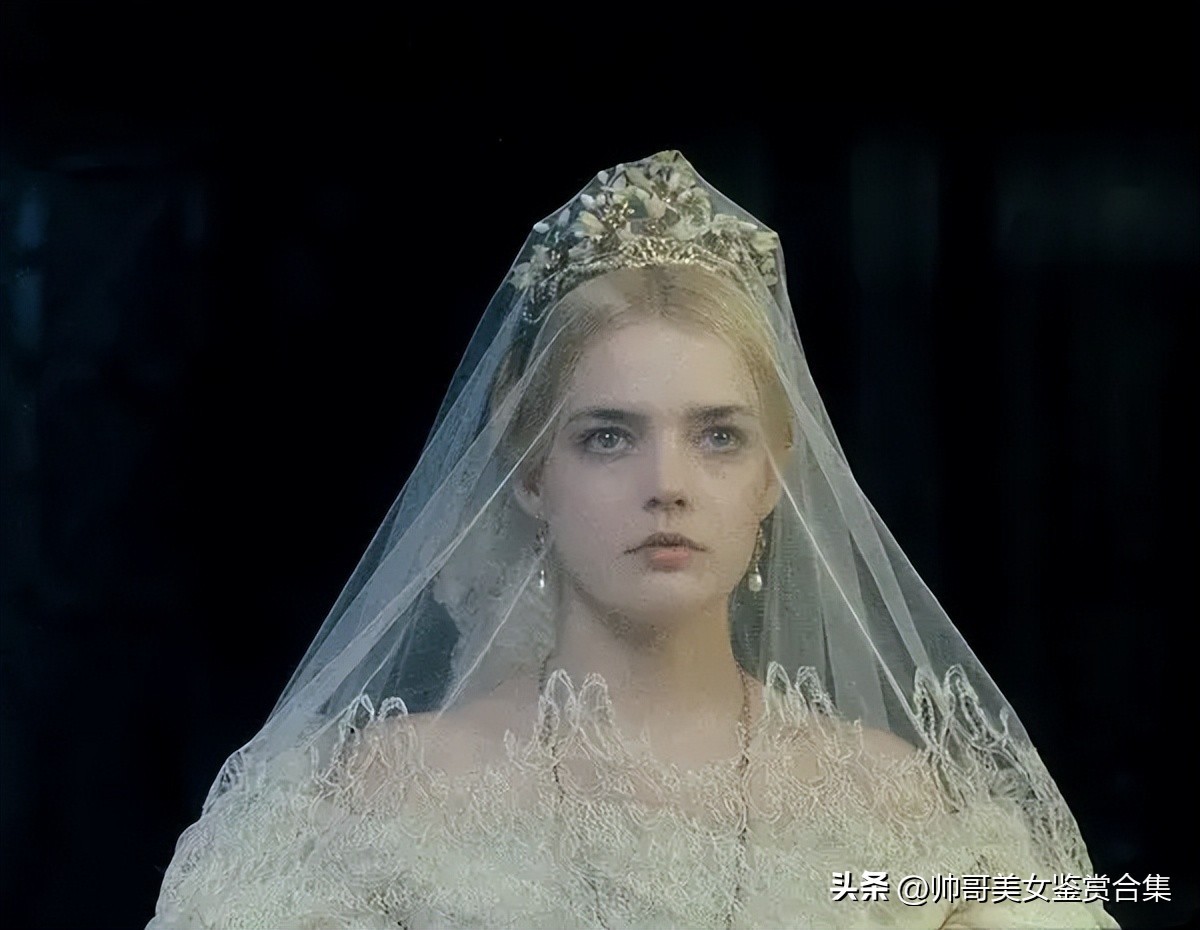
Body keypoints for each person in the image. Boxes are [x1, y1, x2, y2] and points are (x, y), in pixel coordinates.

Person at [147, 151, 1120, 928]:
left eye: (719, 437)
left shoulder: (892, 802)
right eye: (608, 437)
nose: (668, 486)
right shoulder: (392, 791)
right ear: (532, 473)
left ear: (773, 473)